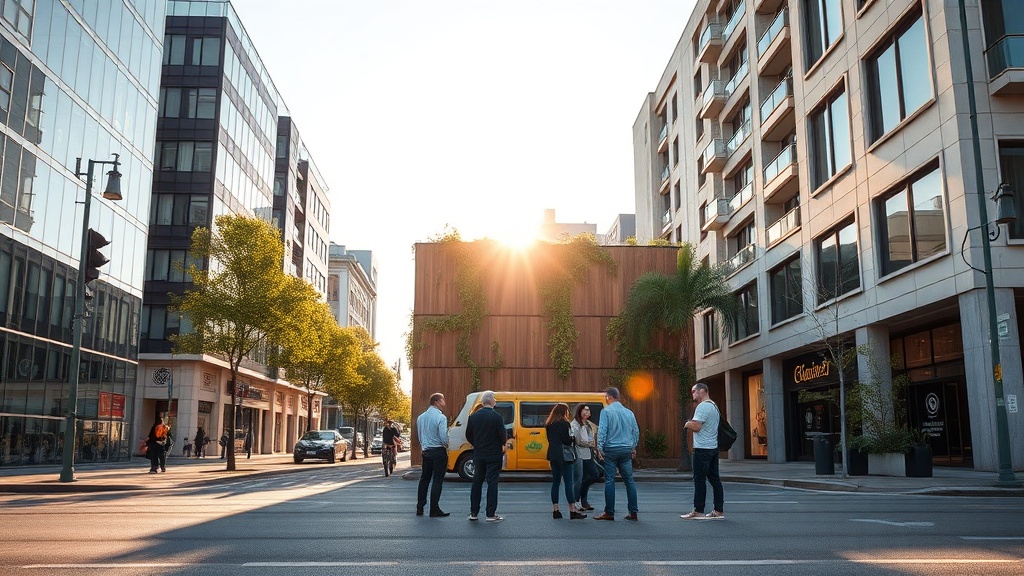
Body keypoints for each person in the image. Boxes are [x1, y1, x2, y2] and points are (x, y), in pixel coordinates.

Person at [594, 386, 639, 521]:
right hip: (626, 449)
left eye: (605, 397)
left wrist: (599, 448)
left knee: (610, 481)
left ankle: (609, 512)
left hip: (611, 449)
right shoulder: (629, 412)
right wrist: (633, 446)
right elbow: (635, 431)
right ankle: (633, 512)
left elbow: (602, 431)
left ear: (609, 396)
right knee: (629, 481)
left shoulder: (606, 412)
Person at [681, 382, 725, 520]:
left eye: (693, 391)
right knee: (714, 479)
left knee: (699, 480)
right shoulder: (713, 406)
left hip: (702, 449)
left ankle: (698, 510)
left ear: (701, 391)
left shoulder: (703, 406)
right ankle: (718, 510)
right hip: (713, 447)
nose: (693, 395)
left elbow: (697, 426)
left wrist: (687, 423)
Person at [465, 390, 507, 523]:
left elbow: (468, 435)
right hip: (494, 454)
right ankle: (490, 514)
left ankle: (474, 512)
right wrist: (501, 445)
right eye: (494, 399)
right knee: (492, 483)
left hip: (479, 454)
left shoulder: (473, 417)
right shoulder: (497, 417)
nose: (495, 401)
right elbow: (503, 436)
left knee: (477, 482)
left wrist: (477, 444)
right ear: (491, 401)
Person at [545, 403, 586, 520]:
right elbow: (567, 441)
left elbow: (550, 439)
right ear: (564, 412)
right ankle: (572, 510)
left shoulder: (549, 424)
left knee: (555, 483)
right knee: (568, 482)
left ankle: (556, 510)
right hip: (565, 456)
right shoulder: (565, 424)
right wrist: (572, 438)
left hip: (553, 455)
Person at [416, 392, 450, 517]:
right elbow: (443, 437)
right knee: (437, 480)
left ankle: (420, 507)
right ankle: (434, 508)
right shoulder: (441, 418)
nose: (444, 403)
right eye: (443, 400)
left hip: (426, 451)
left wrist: (424, 446)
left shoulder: (421, 417)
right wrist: (446, 443)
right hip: (438, 451)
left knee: (424, 479)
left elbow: (420, 436)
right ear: (436, 402)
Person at [570, 403, 601, 512]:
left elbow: (593, 437)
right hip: (578, 454)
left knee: (594, 474)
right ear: (579, 411)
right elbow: (578, 441)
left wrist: (594, 447)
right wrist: (590, 443)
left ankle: (583, 499)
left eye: (588, 410)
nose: (587, 412)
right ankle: (577, 501)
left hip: (588, 453)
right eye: (585, 410)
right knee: (578, 478)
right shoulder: (575, 425)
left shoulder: (588, 424)